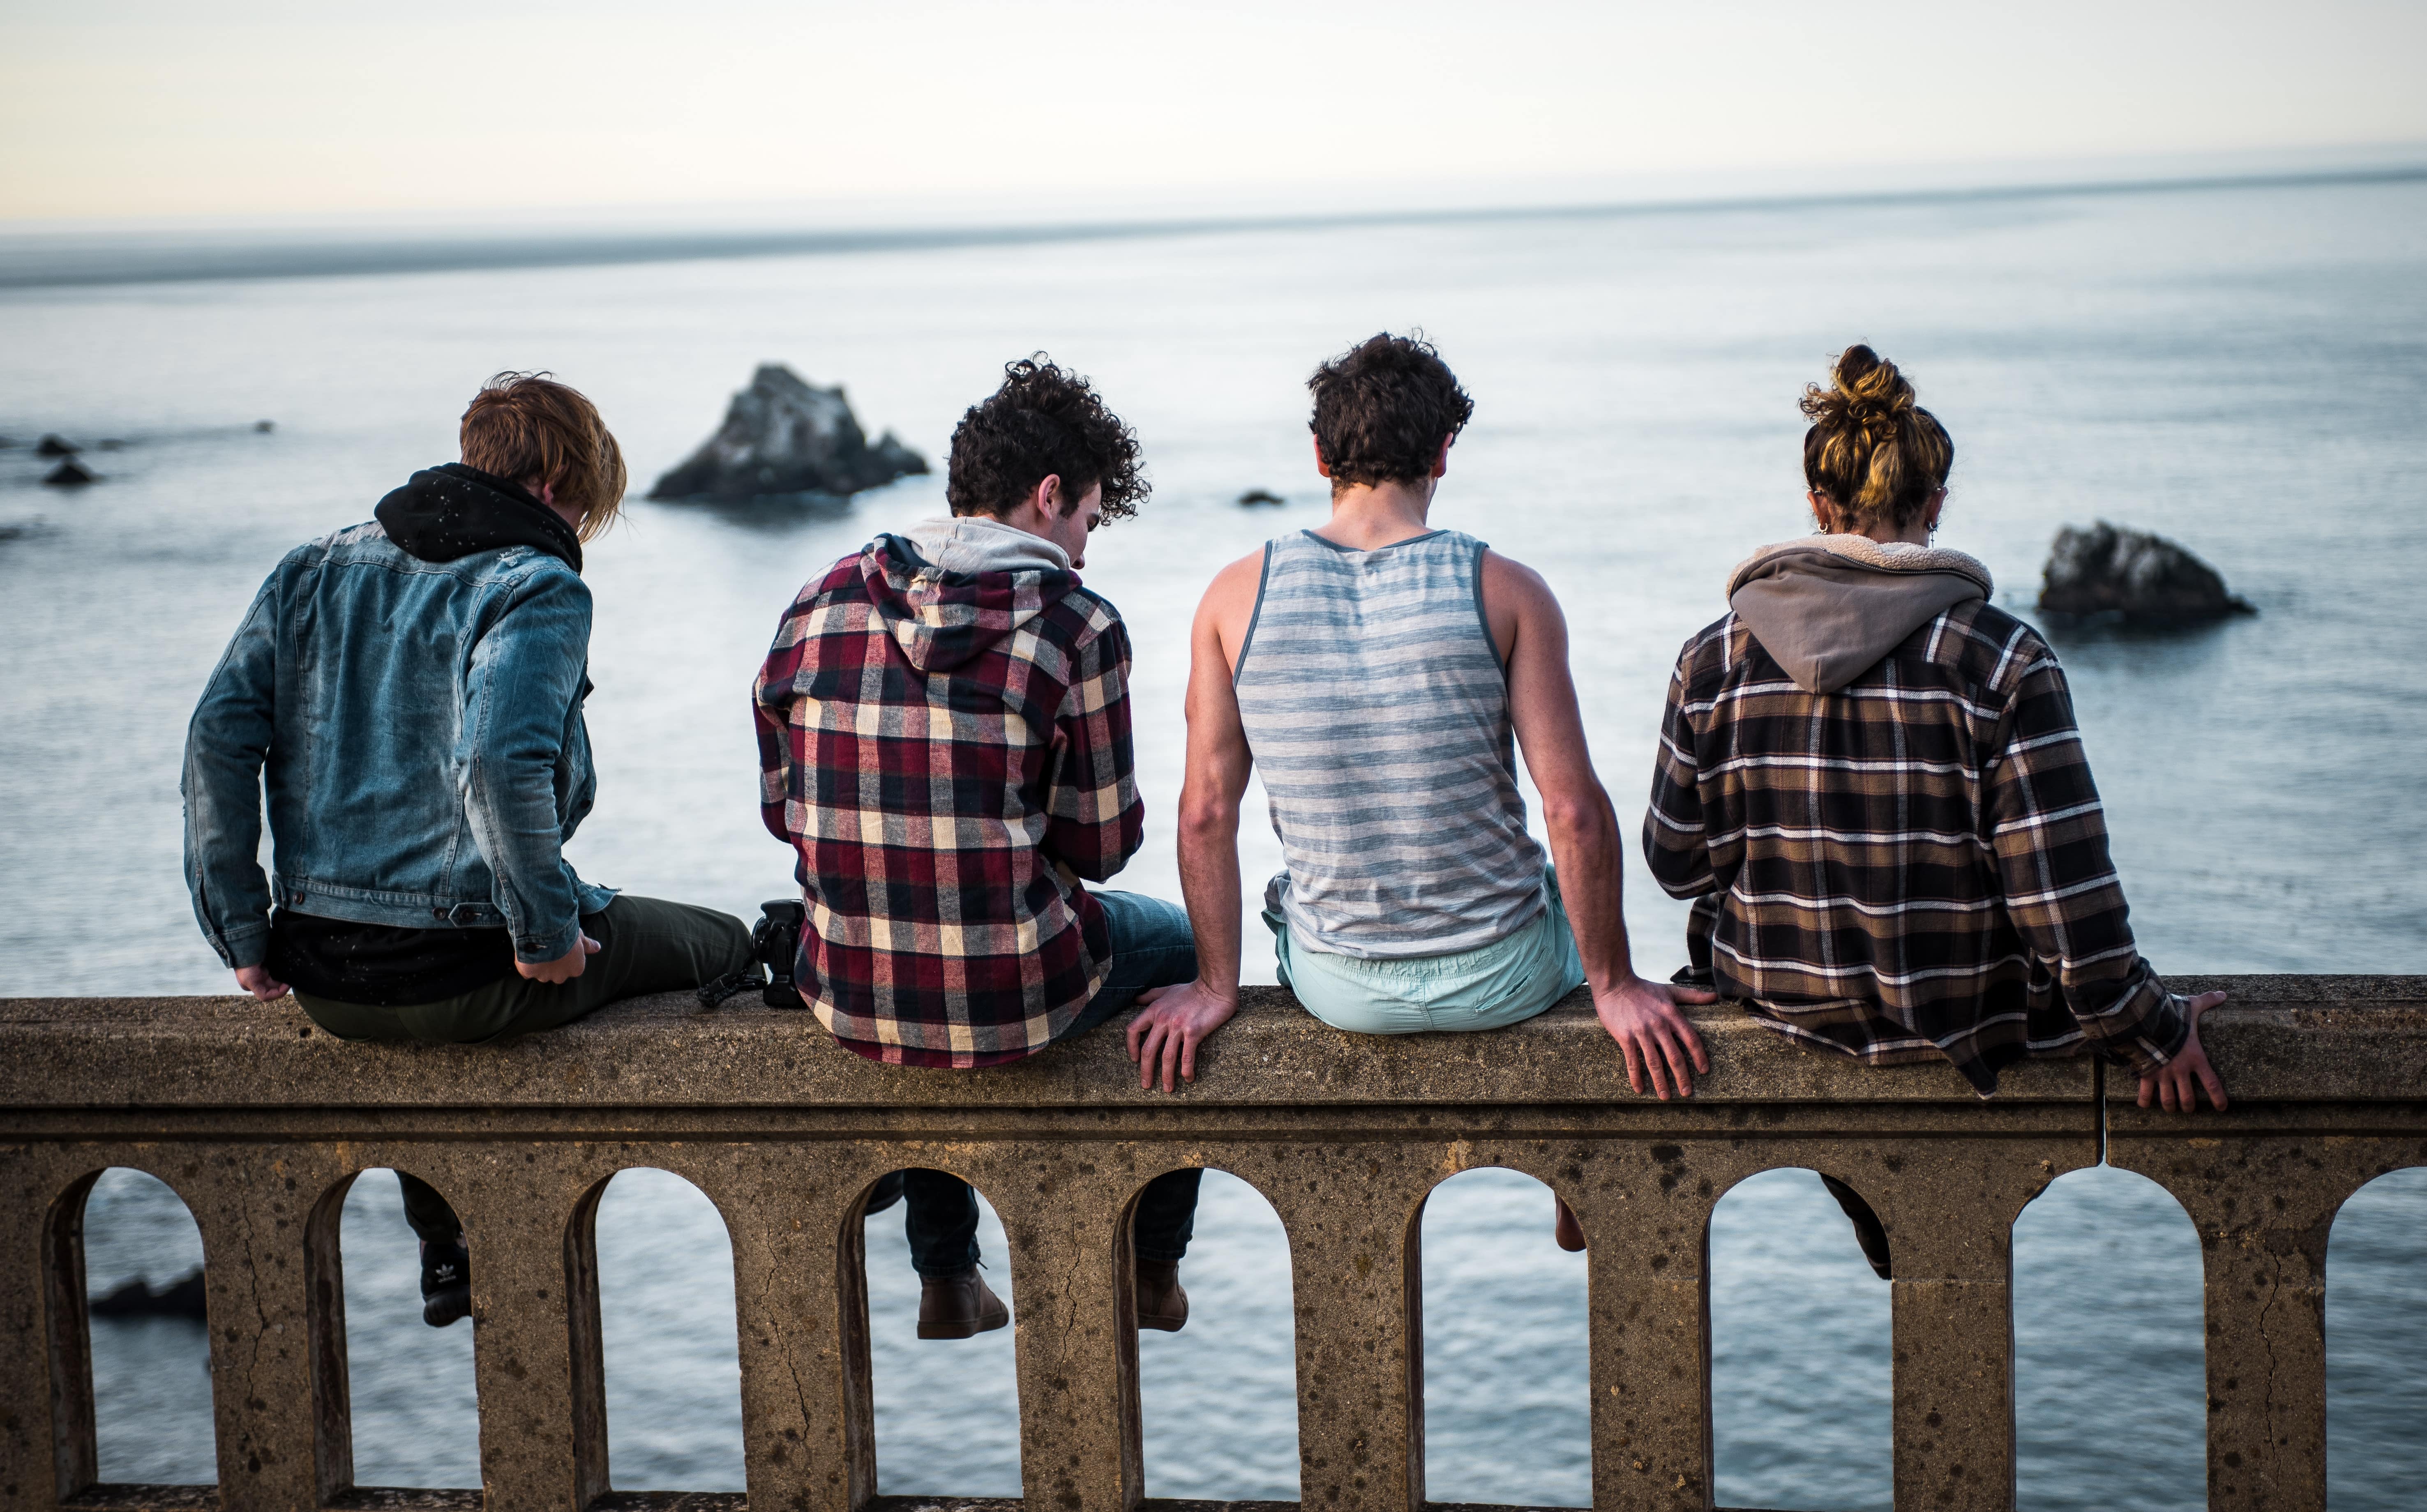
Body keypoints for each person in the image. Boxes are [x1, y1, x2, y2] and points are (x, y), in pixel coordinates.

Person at [1641, 343, 2227, 1278]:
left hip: (1784, 1003)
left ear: (1818, 508)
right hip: (1965, 1020)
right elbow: (2062, 901)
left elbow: (1675, 863)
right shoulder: (2001, 660)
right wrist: (2154, 1029)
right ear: (1934, 505)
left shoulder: (1711, 659)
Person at [182, 371, 754, 1327]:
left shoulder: (310, 568)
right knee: (724, 942)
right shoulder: (535, 584)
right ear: (555, 481)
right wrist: (544, 932)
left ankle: (444, 1244)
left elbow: (216, 738)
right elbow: (498, 765)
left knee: (427, 1009)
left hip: (324, 979)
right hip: (468, 967)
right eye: (582, 505)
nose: (579, 525)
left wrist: (242, 930)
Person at [1125, 332, 1713, 1251]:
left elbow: (1205, 813)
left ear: (1320, 459)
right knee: (1552, 900)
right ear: (1443, 455)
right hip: (1506, 973)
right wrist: (1614, 981)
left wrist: (1211, 983)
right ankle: (1569, 1178)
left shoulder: (1234, 598)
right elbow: (1572, 812)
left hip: (1338, 988)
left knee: (1299, 899)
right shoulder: (1506, 589)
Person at [754, 355, 1204, 1338]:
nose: (1084, 550)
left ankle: (946, 1275)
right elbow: (1104, 842)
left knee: (911, 925)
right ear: (1049, 497)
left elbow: (784, 807)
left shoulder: (819, 598)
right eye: (1087, 518)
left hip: (843, 981)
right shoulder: (1075, 622)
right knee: (1187, 954)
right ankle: (1152, 1265)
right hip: (1017, 995)